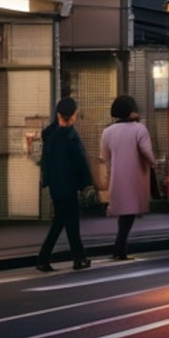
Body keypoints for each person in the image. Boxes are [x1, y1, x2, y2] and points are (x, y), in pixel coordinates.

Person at [36, 97, 94, 272]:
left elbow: (45, 161)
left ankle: (50, 258)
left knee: (62, 220)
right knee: (70, 222)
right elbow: (80, 162)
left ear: (58, 114)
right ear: (73, 115)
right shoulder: (70, 136)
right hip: (68, 185)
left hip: (55, 184)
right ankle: (77, 258)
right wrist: (86, 183)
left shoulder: (50, 135)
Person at [99, 95, 156, 261]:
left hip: (116, 176)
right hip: (135, 176)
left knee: (125, 215)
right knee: (128, 215)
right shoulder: (139, 129)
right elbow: (147, 153)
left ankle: (120, 249)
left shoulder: (107, 132)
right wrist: (153, 163)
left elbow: (104, 155)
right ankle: (119, 250)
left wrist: (110, 171)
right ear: (132, 111)